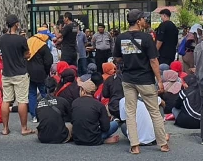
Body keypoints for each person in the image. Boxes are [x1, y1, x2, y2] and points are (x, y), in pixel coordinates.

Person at [113, 9, 168, 154]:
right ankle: (163, 144)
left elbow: (117, 59)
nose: (145, 20)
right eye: (143, 18)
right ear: (138, 21)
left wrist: (128, 57)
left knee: (130, 113)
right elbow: (153, 60)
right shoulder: (146, 38)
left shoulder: (121, 38)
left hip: (128, 79)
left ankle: (135, 146)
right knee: (154, 112)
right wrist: (160, 81)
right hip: (145, 79)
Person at [0, 14, 34, 136]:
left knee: (6, 100)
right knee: (22, 100)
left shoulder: (1, 39)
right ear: (16, 24)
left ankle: (5, 128)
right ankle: (24, 128)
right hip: (20, 72)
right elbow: (27, 54)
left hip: (7, 72)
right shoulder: (21, 39)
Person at [71, 79, 119, 146]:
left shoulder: (74, 102)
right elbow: (105, 127)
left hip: (77, 139)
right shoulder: (99, 105)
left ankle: (102, 139)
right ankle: (103, 140)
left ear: (83, 91)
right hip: (94, 139)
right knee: (115, 124)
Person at [26, 28, 53, 123]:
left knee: (32, 94)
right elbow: (48, 61)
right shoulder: (43, 45)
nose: (48, 39)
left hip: (29, 72)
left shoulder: (29, 41)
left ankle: (34, 115)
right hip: (41, 72)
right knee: (44, 93)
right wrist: (46, 72)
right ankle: (49, 111)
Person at [35, 77, 72, 144]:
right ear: (55, 88)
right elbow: (70, 116)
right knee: (71, 127)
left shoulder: (38, 103)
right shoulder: (62, 101)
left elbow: (39, 118)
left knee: (38, 129)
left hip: (43, 137)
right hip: (61, 137)